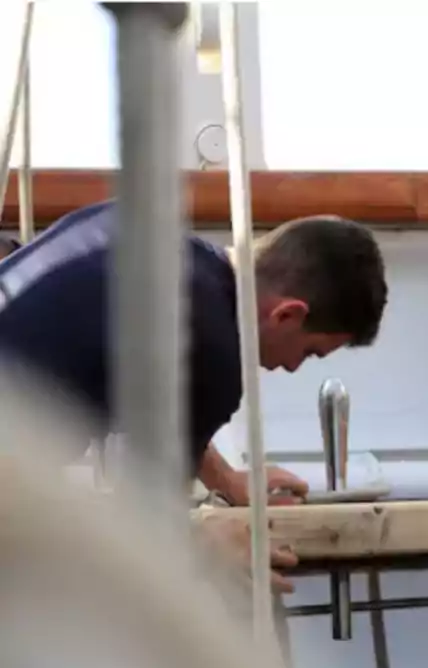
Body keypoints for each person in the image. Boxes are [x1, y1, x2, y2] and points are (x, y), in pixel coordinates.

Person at [0, 200, 388, 591]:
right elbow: (142, 520)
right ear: (286, 315)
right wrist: (204, 542)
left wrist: (227, 480)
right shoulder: (214, 353)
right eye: (308, 353)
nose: (292, 368)